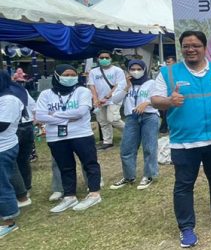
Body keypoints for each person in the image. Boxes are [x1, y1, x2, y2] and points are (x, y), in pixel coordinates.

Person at [151, 31, 211, 248]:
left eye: (195, 45)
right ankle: (186, 227)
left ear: (204, 48)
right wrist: (169, 101)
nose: (191, 49)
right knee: (184, 185)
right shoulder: (168, 73)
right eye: (186, 46)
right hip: (184, 141)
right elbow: (155, 100)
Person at [36, 65, 103, 213]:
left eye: (73, 75)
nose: (70, 77)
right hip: (56, 137)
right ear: (57, 76)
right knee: (65, 167)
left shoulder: (82, 91)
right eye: (66, 75)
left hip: (81, 134)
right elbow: (40, 116)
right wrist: (67, 117)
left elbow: (81, 112)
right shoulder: (46, 94)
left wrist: (54, 115)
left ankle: (94, 193)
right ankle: (69, 196)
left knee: (90, 163)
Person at [110, 60, 159, 191]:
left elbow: (158, 99)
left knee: (149, 147)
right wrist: (127, 87)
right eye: (133, 69)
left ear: (144, 70)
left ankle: (149, 175)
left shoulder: (151, 83)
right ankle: (128, 176)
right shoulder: (125, 83)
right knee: (127, 148)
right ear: (128, 71)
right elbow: (114, 99)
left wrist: (147, 103)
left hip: (149, 116)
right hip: (131, 117)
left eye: (139, 69)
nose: (136, 72)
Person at [87, 50, 127, 150]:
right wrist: (95, 99)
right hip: (99, 101)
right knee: (103, 121)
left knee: (113, 119)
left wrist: (107, 97)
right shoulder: (93, 72)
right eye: (102, 58)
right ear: (98, 59)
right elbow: (91, 86)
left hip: (114, 99)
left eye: (106, 57)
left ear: (111, 59)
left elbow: (119, 85)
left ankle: (130, 133)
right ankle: (107, 141)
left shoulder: (117, 70)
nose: (104, 59)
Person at [0, 70, 24, 238]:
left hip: (3, 148)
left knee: (2, 184)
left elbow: (2, 125)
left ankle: (9, 221)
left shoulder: (9, 100)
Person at [7, 77, 35, 208]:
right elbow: (33, 106)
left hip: (12, 128)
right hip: (27, 125)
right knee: (23, 160)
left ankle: (19, 193)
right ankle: (26, 188)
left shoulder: (4, 93)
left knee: (11, 163)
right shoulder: (21, 89)